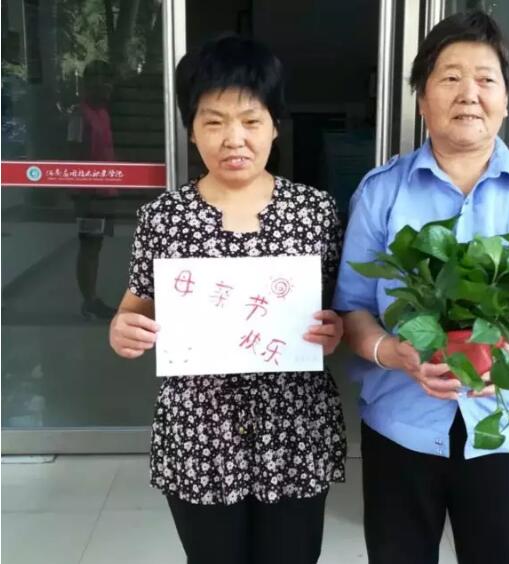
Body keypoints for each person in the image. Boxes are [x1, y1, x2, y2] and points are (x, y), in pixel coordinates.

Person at [333, 10, 509, 564]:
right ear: (422, 98)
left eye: (485, 79)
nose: (469, 94)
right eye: (450, 78)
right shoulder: (381, 193)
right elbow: (353, 310)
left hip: (506, 428)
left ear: (507, 100)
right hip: (400, 426)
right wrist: (393, 352)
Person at [108, 36, 346, 564]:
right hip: (199, 434)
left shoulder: (315, 213)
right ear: (191, 130)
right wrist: (123, 330)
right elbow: (134, 309)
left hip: (294, 430)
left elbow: (344, 313)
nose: (233, 139)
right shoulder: (163, 218)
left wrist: (337, 330)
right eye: (213, 121)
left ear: (275, 125)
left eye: (251, 120)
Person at [68, 60, 117, 320]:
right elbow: (74, 152)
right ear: (88, 84)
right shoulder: (80, 115)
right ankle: (89, 301)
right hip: (89, 194)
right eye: (100, 81)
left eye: (109, 81)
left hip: (105, 193)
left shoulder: (104, 113)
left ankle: (92, 299)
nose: (106, 87)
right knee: (89, 246)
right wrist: (80, 192)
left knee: (95, 246)